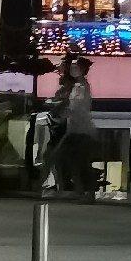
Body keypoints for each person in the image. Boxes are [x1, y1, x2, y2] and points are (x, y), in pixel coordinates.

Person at [48, 55, 99, 198]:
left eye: (75, 66)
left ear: (82, 70)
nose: (72, 68)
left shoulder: (82, 87)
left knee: (74, 159)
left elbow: (78, 107)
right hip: (74, 128)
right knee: (72, 160)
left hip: (80, 130)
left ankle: (85, 191)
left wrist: (63, 110)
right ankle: (80, 190)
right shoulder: (77, 86)